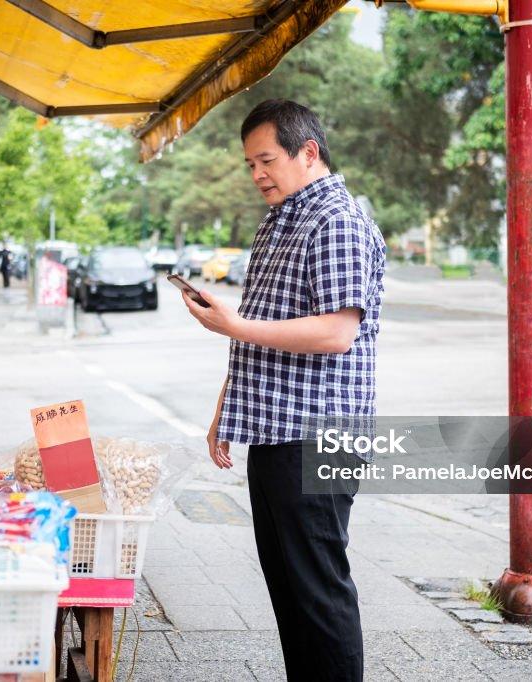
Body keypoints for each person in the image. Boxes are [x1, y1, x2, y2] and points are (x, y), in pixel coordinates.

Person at [179, 99, 386, 681]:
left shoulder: (335, 222)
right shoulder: (282, 218)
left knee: (318, 592)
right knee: (290, 589)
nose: (257, 175)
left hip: (320, 436)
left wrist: (232, 325)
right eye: (249, 164)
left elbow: (336, 331)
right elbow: (265, 319)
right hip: (275, 430)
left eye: (266, 160)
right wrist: (227, 405)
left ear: (309, 152)